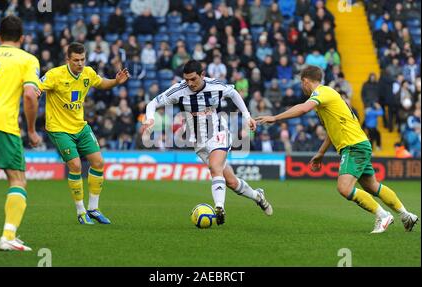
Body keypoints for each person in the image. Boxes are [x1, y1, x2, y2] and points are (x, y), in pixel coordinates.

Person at [256, 65, 418, 233]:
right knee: (372, 186)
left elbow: (303, 108)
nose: (301, 87)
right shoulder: (328, 98)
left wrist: (274, 117)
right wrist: (320, 153)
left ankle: (383, 215)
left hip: (353, 145)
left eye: (301, 83)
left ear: (305, 81)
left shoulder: (322, 92)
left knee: (344, 188)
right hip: (359, 143)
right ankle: (406, 215)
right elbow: (331, 131)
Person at [142, 60, 272, 225]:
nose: (190, 83)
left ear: (202, 75)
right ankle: (257, 195)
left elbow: (233, 93)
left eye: (193, 79)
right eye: (187, 79)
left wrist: (247, 116)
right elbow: (153, 103)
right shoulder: (179, 90)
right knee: (231, 182)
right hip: (198, 142)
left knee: (214, 167)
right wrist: (150, 118)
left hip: (219, 132)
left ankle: (219, 208)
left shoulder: (215, 86)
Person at [0, 15, 42, 251]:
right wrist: (31, 130)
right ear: (22, 38)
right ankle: (8, 236)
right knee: (17, 180)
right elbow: (31, 95)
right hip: (1, 123)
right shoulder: (27, 59)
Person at [39, 42, 130, 225]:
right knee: (75, 165)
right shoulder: (55, 75)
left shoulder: (87, 72)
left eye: (82, 59)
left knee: (98, 162)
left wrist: (115, 81)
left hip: (80, 127)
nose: (80, 64)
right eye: (76, 60)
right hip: (59, 128)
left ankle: (93, 209)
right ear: (68, 59)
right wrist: (34, 93)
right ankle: (81, 212)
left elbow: (101, 83)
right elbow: (36, 87)